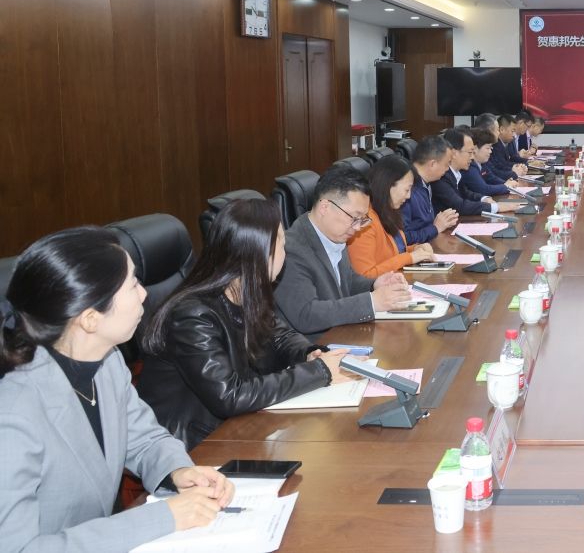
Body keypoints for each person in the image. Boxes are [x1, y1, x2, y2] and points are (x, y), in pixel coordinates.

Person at [0, 227, 235, 550]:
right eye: (133, 284)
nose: (144, 294)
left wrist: (178, 471)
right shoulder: (13, 415)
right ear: (90, 319)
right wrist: (162, 517)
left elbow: (144, 438)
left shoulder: (106, 360)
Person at [139, 200, 352, 448]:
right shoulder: (192, 315)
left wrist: (308, 353)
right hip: (196, 444)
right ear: (259, 252)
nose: (286, 252)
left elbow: (279, 335)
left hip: (238, 426)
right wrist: (318, 372)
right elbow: (229, 395)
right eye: (282, 244)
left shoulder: (247, 290)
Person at [274, 165, 411, 340]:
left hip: (344, 335)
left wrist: (374, 284)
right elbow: (306, 315)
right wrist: (371, 302)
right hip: (315, 346)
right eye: (354, 218)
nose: (357, 227)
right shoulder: (292, 250)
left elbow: (347, 281)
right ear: (325, 207)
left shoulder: (335, 234)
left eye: (362, 219)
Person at [347, 154, 436, 277]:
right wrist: (409, 258)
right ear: (388, 185)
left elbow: (395, 252)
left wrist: (416, 249)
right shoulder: (363, 222)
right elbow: (365, 275)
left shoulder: (389, 211)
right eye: (407, 189)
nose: (409, 196)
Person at [433, 129, 522, 217]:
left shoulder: (456, 173)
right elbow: (460, 206)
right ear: (454, 153)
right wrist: (496, 207)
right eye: (469, 152)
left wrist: (483, 198)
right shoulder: (441, 176)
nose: (472, 157)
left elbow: (466, 193)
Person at [401, 135, 460, 244]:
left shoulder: (426, 183)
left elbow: (422, 224)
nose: (447, 169)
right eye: (447, 164)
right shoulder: (406, 190)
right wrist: (435, 228)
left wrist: (442, 222)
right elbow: (403, 239)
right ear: (432, 164)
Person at [463, 126, 519, 197]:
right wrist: (506, 186)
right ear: (475, 149)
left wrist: (508, 183)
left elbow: (492, 178)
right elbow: (484, 189)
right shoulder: (470, 166)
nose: (490, 151)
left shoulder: (483, 164)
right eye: (488, 148)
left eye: (491, 148)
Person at [487, 114, 528, 181]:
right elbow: (498, 167)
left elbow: (511, 159)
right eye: (512, 131)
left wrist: (520, 166)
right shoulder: (494, 145)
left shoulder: (506, 141)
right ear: (502, 130)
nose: (514, 135)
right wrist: (515, 170)